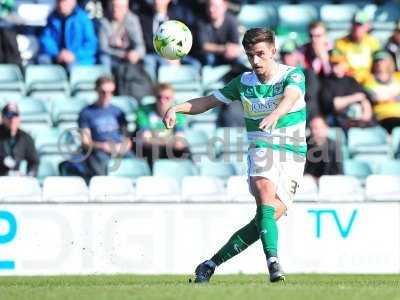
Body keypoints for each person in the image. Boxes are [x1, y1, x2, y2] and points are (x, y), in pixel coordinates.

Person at [163, 28, 307, 283]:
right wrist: (177, 108)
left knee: (265, 219)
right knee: (264, 195)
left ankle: (209, 264)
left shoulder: (292, 75)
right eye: (251, 56)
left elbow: (291, 97)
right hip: (262, 146)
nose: (256, 61)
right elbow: (207, 102)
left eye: (261, 54)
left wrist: (275, 114)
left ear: (273, 51)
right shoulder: (243, 83)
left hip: (294, 153)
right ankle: (273, 262)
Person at [60, 76, 131, 180]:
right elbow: (85, 142)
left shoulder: (118, 112)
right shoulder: (86, 113)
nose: (107, 95)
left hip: (118, 149)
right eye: (103, 92)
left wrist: (122, 147)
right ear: (96, 91)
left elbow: (128, 139)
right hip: (99, 151)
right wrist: (103, 146)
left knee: (138, 164)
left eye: (110, 92)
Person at [134, 83, 190, 168]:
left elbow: (179, 142)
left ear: (172, 99)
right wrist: (168, 141)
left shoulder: (178, 113)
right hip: (150, 150)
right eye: (159, 97)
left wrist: (159, 140)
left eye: (167, 98)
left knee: (185, 151)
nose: (162, 101)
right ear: (154, 97)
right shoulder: (144, 111)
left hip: (169, 148)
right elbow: (146, 140)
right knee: (154, 150)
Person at [319, 49, 373, 129]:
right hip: (337, 122)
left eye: (338, 63)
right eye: (333, 63)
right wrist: (354, 98)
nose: (335, 66)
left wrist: (366, 113)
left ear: (344, 64)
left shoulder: (351, 80)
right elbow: (332, 104)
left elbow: (364, 97)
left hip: (358, 120)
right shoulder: (325, 82)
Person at [39, 0, 98, 68]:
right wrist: (57, 53)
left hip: (79, 59)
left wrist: (74, 55)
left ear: (73, 2)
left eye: (64, 1)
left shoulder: (83, 19)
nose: (61, 4)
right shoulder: (52, 18)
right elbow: (46, 39)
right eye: (59, 1)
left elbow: (91, 44)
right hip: (57, 56)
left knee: (71, 67)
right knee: (42, 60)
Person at [335, 11, 380, 84]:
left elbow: (379, 63)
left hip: (369, 82)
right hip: (349, 81)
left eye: (360, 25)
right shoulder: (340, 43)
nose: (356, 28)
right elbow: (339, 65)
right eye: (354, 24)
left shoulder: (373, 43)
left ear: (367, 26)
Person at [98, 0, 145, 69]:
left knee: (146, 61)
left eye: (119, 7)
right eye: (113, 6)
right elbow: (103, 48)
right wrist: (123, 55)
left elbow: (140, 45)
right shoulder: (103, 21)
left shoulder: (132, 20)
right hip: (112, 56)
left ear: (126, 8)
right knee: (104, 58)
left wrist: (136, 53)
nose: (115, 9)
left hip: (129, 56)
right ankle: (108, 79)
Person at [196, 0, 242, 66]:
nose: (211, 9)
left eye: (215, 6)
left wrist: (231, 50)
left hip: (228, 55)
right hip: (210, 56)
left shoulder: (232, 21)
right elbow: (203, 45)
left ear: (224, 6)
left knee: (239, 59)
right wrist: (224, 49)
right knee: (208, 58)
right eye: (209, 6)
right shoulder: (201, 21)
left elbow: (235, 45)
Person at [363, 51, 400, 133]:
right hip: (382, 116)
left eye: (383, 60)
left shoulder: (398, 76)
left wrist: (384, 98)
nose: (380, 63)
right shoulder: (368, 80)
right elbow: (373, 97)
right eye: (377, 61)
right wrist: (393, 97)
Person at [0, 103, 39, 176]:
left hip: (16, 179)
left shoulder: (25, 138)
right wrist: (2, 160)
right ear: (3, 118)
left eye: (15, 116)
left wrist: (30, 174)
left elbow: (34, 161)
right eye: (9, 116)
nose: (12, 120)